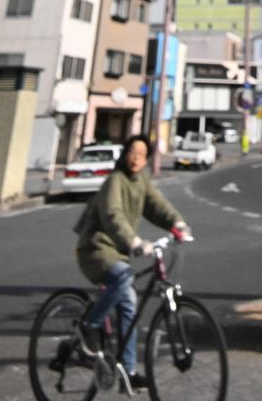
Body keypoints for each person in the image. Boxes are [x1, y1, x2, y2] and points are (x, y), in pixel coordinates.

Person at [73, 133, 189, 391]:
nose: (136, 158)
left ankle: (129, 371)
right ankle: (89, 325)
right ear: (125, 154)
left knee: (129, 305)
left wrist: (177, 223)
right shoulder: (115, 180)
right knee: (124, 277)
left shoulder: (142, 182)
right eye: (132, 152)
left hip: (117, 252)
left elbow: (158, 205)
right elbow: (113, 215)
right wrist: (135, 242)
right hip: (95, 249)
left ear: (146, 159)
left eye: (141, 154)